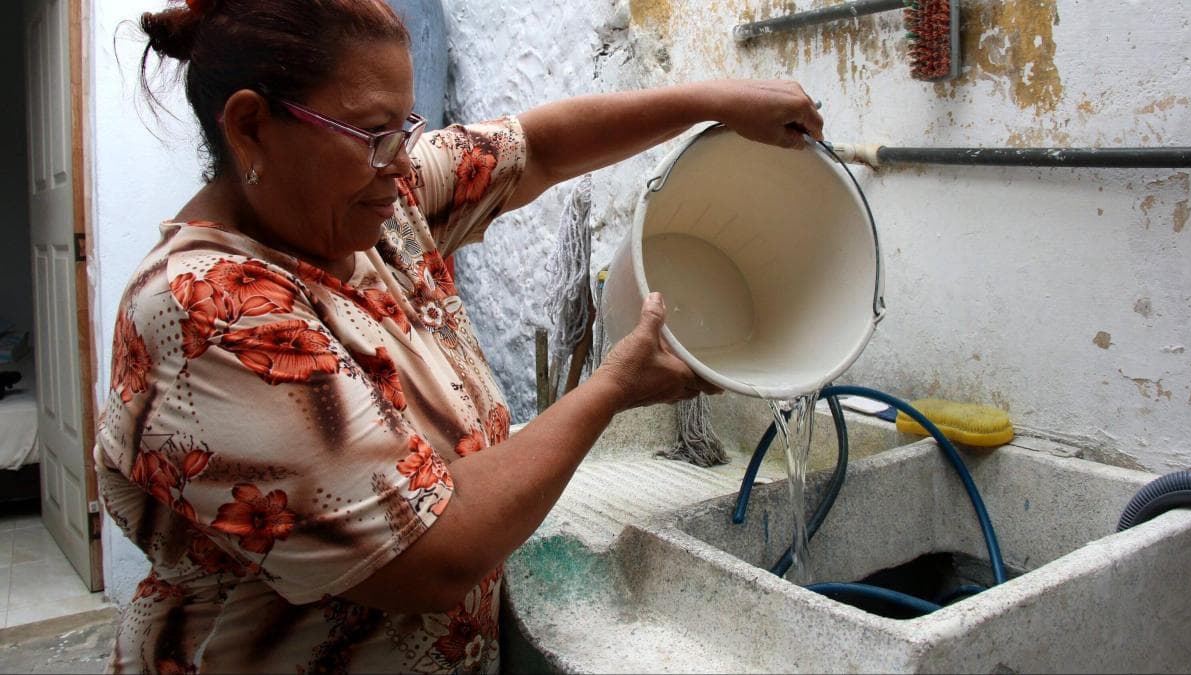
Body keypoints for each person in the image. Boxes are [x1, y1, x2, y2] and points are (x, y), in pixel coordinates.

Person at [95, 0, 824, 672]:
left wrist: (712, 100)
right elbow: (433, 552)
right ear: (251, 125)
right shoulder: (207, 314)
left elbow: (534, 147)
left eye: (405, 128)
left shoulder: (373, 210)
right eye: (376, 135)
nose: (402, 162)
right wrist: (612, 388)